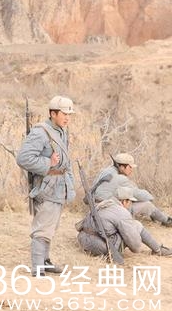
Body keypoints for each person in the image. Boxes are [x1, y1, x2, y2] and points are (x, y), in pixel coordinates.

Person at [16, 95, 76, 277]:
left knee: (51, 226)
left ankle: (45, 260)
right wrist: (48, 162)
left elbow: (66, 162)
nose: (67, 118)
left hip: (59, 185)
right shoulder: (40, 132)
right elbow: (23, 158)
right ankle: (38, 267)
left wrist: (70, 184)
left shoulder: (61, 131)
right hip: (47, 185)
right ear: (53, 113)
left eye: (69, 114)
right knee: (42, 227)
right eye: (64, 114)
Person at [76, 187, 172, 257]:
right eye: (130, 202)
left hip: (83, 240)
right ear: (124, 201)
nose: (130, 204)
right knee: (137, 225)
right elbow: (136, 247)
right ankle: (157, 250)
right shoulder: (122, 212)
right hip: (100, 247)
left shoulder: (102, 204)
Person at [92, 153, 172, 227]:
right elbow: (137, 194)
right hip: (110, 210)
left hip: (96, 208)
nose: (131, 170)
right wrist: (150, 197)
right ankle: (167, 220)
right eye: (130, 167)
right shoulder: (121, 178)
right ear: (122, 167)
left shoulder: (104, 171)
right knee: (148, 205)